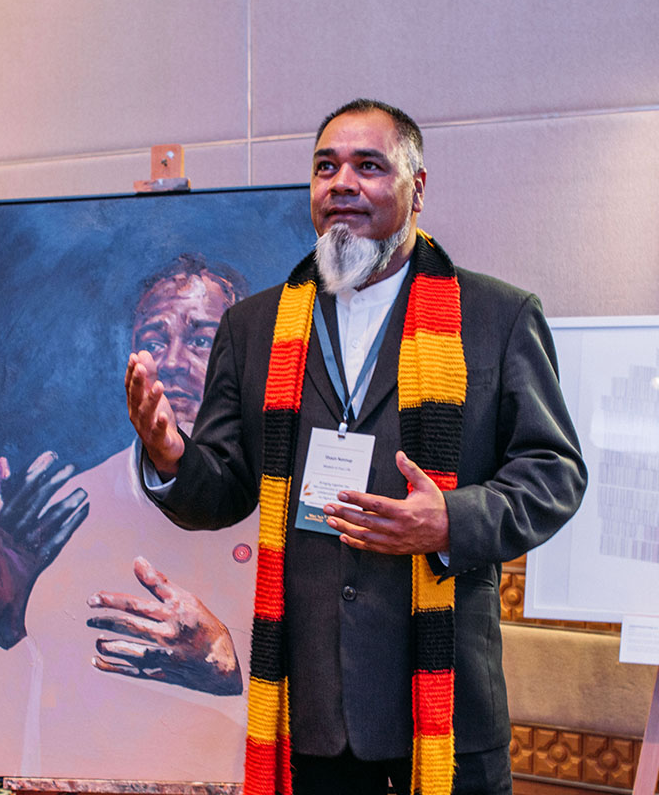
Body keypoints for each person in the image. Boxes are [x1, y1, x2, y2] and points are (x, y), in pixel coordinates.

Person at [126, 100, 588, 795]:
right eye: (325, 167)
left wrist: (450, 522)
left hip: (440, 707)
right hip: (307, 710)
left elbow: (555, 473)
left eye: (368, 166)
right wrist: (170, 458)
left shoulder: (496, 317)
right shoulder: (255, 327)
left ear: (417, 187)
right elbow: (222, 488)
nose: (342, 183)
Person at [0, 255, 259, 781]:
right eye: (155, 342)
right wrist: (0, 610)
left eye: (202, 341)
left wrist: (227, 671)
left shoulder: (283, 501)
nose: (174, 361)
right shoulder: (64, 510)